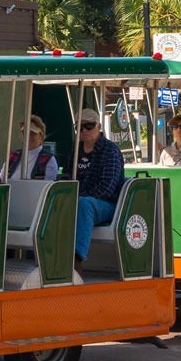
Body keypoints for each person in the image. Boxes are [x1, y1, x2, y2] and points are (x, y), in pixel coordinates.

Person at [73, 112, 127, 264]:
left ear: (99, 126)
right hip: (80, 200)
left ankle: (76, 260)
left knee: (84, 204)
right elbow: (67, 177)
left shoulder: (111, 150)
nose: (84, 130)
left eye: (89, 126)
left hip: (108, 206)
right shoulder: (75, 150)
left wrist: (77, 197)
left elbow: (106, 189)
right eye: (79, 127)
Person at [3, 115, 62, 180]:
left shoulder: (49, 159)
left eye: (33, 133)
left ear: (41, 136)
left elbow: (48, 186)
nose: (28, 136)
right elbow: (2, 179)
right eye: (25, 133)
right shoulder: (12, 156)